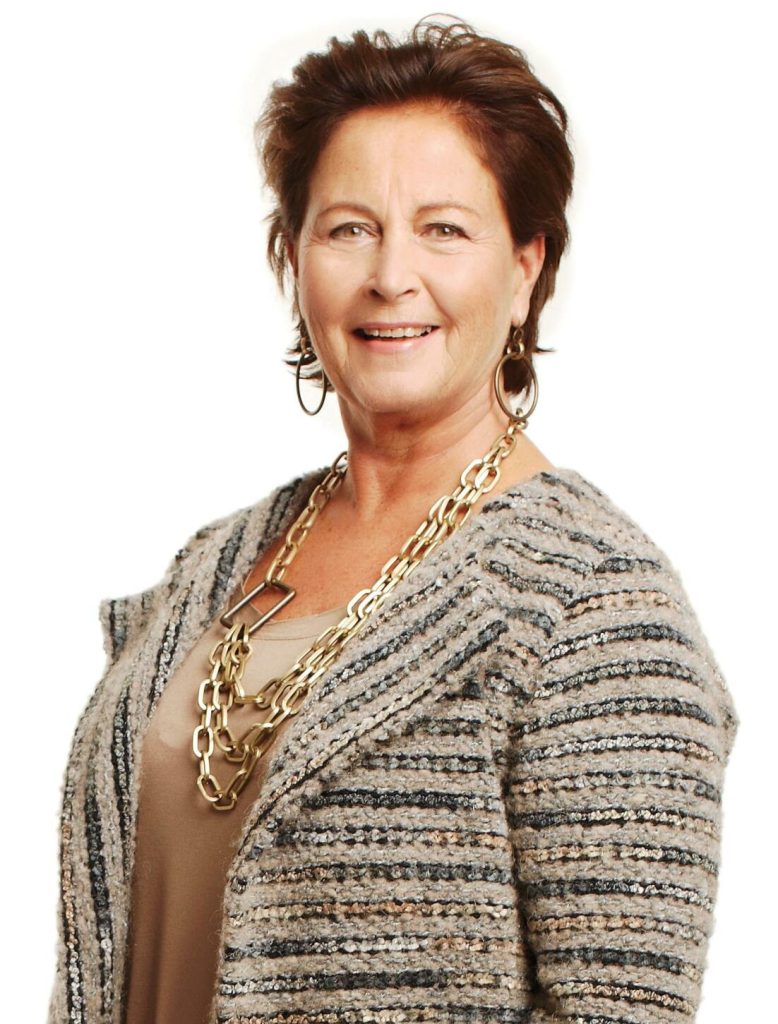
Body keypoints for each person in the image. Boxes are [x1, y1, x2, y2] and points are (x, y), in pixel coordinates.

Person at [47, 14, 739, 1024]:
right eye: (348, 228)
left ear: (526, 267)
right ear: (293, 260)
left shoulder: (596, 606)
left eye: (444, 229)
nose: (389, 275)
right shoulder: (216, 562)